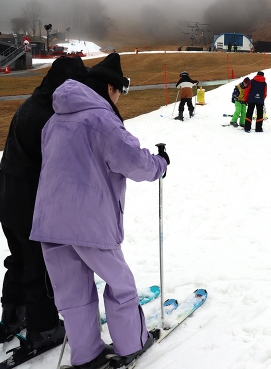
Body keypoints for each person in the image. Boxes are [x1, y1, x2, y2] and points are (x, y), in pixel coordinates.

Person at [29, 53, 169, 369]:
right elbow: (135, 161)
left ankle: (87, 354)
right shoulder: (102, 120)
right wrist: (159, 164)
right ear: (109, 87)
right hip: (89, 222)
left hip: (51, 222)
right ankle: (131, 343)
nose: (119, 98)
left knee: (73, 293)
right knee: (120, 284)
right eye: (119, 91)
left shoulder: (54, 120)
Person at [0, 56, 88, 346]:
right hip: (28, 205)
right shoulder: (50, 116)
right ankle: (44, 328)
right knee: (39, 266)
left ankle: (13, 313)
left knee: (19, 259)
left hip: (6, 199)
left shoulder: (32, 103)